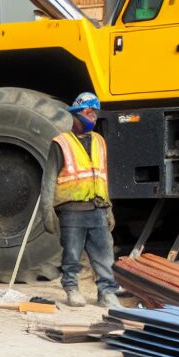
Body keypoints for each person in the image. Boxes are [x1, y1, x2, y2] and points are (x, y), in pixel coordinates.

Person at [46, 92, 118, 309]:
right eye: (88, 112)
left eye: (94, 112)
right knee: (71, 256)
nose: (93, 117)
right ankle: (72, 289)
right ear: (76, 115)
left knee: (104, 257)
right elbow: (48, 179)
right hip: (71, 210)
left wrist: (109, 208)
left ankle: (107, 293)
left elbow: (103, 177)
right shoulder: (61, 143)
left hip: (98, 208)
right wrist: (46, 210)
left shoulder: (99, 141)